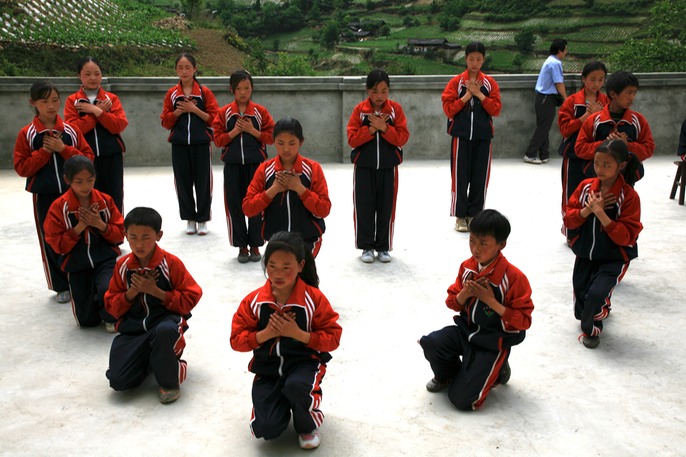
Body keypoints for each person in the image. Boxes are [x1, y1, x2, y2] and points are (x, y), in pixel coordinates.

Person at [230, 231, 342, 450]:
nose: (278, 273)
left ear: (301, 266)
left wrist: (298, 333)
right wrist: (266, 333)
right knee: (266, 429)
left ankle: (307, 423)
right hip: (268, 370)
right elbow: (236, 340)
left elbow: (334, 337)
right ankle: (276, 404)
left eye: (286, 267)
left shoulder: (313, 299)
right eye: (272, 266)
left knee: (297, 387)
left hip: (304, 365)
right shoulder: (254, 301)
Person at [419, 209, 534, 411]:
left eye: (483, 243)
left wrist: (490, 300)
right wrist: (465, 293)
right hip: (468, 329)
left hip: (494, 340)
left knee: (462, 400)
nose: (475, 249)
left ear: (501, 245)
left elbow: (523, 321)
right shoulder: (467, 267)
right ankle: (452, 376)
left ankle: (496, 369)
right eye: (472, 241)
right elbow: (452, 302)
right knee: (431, 342)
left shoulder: (515, 278)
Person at [104, 207, 203, 403]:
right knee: (119, 381)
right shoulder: (122, 266)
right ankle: (151, 358)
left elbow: (191, 297)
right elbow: (111, 306)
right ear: (125, 235)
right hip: (134, 329)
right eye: (133, 237)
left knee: (165, 332)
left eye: (146, 237)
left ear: (159, 235)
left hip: (164, 324)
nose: (139, 244)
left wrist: (156, 291)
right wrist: (132, 292)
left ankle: (171, 377)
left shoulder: (171, 263)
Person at [13, 80, 94, 304]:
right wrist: (44, 153)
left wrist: (63, 149)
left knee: (78, 234)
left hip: (74, 194)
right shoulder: (27, 134)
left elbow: (88, 159)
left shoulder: (70, 130)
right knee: (50, 238)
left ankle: (81, 279)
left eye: (55, 100)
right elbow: (22, 168)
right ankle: (60, 285)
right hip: (45, 195)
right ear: (33, 103)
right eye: (44, 101)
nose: (51, 106)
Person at [563, 140, 642, 349]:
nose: (600, 169)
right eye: (597, 163)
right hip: (586, 254)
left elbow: (627, 236)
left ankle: (592, 331)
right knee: (581, 307)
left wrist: (601, 213)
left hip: (614, 257)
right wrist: (587, 210)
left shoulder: (629, 197)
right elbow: (569, 220)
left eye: (607, 165)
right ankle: (600, 307)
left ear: (621, 166)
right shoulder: (585, 187)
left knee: (594, 299)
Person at [43, 156, 124, 330]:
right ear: (67, 180)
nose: (85, 186)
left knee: (108, 289)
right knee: (86, 322)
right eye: (79, 182)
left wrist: (100, 225)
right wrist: (80, 227)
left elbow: (119, 235)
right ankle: (94, 300)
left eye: (90, 180)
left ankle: (109, 314)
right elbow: (57, 245)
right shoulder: (59, 207)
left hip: (105, 259)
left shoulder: (104, 201)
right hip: (76, 262)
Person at [242, 118, 331, 258]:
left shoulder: (313, 169)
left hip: (307, 240)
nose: (286, 149)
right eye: (280, 143)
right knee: (280, 277)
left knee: (299, 275)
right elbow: (248, 208)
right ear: (273, 142)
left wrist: (299, 188)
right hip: (275, 241)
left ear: (301, 142)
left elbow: (324, 209)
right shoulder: (264, 170)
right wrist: (274, 190)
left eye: (292, 143)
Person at [347, 69, 409, 263]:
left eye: (384, 91)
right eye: (374, 91)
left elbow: (402, 137)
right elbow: (352, 140)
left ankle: (383, 247)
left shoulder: (395, 110)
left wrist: (385, 128)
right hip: (364, 167)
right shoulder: (359, 111)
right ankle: (366, 247)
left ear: (389, 90)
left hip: (388, 168)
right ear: (367, 91)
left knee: (386, 208)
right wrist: (371, 129)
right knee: (364, 206)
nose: (379, 96)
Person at [213, 70, 275, 263]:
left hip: (256, 166)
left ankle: (256, 244)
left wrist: (252, 130)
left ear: (252, 89)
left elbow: (271, 137)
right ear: (232, 89)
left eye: (247, 88)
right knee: (234, 206)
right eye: (239, 88)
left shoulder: (260, 112)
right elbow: (217, 140)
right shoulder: (224, 113)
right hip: (232, 166)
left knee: (256, 204)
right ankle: (241, 246)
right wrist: (234, 132)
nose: (243, 92)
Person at [441, 42, 502, 232]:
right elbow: (448, 109)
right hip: (461, 136)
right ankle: (460, 216)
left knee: (480, 177)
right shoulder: (456, 82)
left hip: (483, 137)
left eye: (478, 59)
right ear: (465, 59)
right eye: (471, 59)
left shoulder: (489, 83)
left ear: (483, 60)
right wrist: (468, 95)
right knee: (460, 176)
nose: (475, 63)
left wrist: (480, 95)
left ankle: (474, 215)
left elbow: (496, 109)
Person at [161, 52, 219, 236]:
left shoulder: (204, 92)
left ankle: (202, 219)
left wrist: (194, 109)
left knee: (203, 182)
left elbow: (214, 119)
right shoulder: (172, 94)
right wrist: (178, 112)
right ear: (176, 70)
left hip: (201, 143)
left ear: (195, 69)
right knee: (182, 182)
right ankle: (190, 219)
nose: (184, 71)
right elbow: (165, 121)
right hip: (179, 145)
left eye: (188, 67)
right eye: (180, 68)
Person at [64, 56, 128, 212]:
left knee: (114, 196)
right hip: (84, 157)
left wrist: (98, 112)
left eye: (97, 73)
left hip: (111, 156)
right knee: (88, 198)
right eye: (87, 74)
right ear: (79, 75)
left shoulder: (111, 99)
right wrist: (94, 115)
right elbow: (73, 130)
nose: (93, 78)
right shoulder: (73, 101)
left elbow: (119, 125)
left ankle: (115, 232)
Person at [575, 71, 654, 184]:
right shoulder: (594, 120)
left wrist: (627, 145)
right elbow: (580, 149)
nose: (632, 97)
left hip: (627, 181)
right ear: (613, 94)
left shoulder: (638, 120)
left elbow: (649, 149)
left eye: (634, 93)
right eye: (628, 93)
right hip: (597, 181)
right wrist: (607, 144)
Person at [558, 61, 609, 234]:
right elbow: (565, 128)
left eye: (601, 80)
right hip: (574, 155)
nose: (596, 84)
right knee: (571, 192)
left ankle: (590, 231)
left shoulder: (607, 102)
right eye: (592, 79)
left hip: (598, 154)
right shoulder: (572, 102)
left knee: (595, 191)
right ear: (583, 79)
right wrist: (587, 116)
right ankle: (570, 231)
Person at [524, 38, 568, 165]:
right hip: (546, 98)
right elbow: (559, 84)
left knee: (544, 127)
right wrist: (566, 99)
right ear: (560, 50)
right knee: (543, 128)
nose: (566, 52)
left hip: (542, 98)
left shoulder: (550, 61)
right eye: (565, 49)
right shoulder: (555, 63)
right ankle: (530, 154)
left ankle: (544, 155)